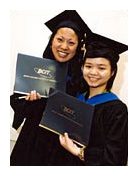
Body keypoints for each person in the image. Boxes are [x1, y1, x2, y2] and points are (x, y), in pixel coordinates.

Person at [10, 10, 92, 165]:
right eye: (59, 39)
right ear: (52, 40)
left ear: (78, 47)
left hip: (62, 148)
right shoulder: (35, 70)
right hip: (32, 141)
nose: (64, 46)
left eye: (71, 42)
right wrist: (29, 102)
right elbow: (17, 104)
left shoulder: (82, 79)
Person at [59, 39, 128, 165]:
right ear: (82, 68)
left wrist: (79, 152)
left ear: (112, 72)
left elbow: (115, 158)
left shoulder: (117, 110)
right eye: (88, 66)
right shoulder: (76, 99)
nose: (93, 72)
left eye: (101, 68)